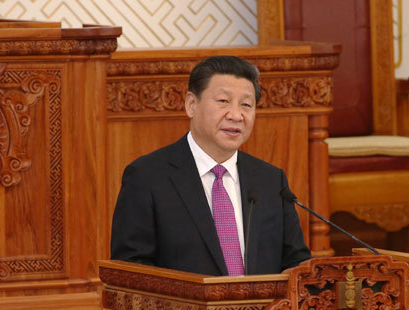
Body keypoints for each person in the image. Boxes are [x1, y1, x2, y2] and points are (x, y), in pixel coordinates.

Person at [110, 55, 311, 276]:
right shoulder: (147, 177)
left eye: (246, 105)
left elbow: (297, 263)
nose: (236, 115)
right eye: (223, 101)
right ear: (191, 105)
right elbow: (132, 270)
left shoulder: (271, 181)